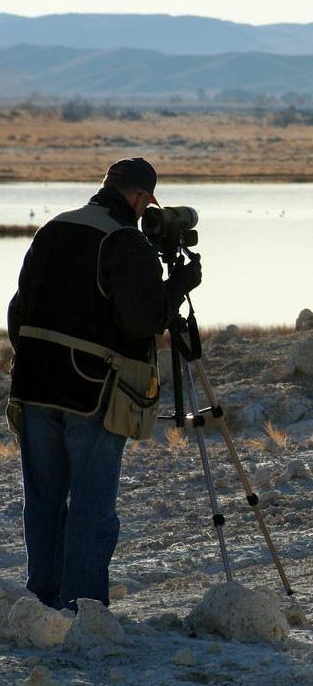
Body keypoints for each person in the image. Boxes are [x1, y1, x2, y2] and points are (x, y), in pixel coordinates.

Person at [6, 157, 202, 611]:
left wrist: (39, 355)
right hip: (91, 390)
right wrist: (178, 286)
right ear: (141, 198)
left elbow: (18, 312)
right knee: (92, 506)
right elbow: (142, 321)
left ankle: (41, 602)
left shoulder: (54, 228)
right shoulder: (125, 241)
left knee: (43, 499)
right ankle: (84, 606)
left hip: (34, 385)